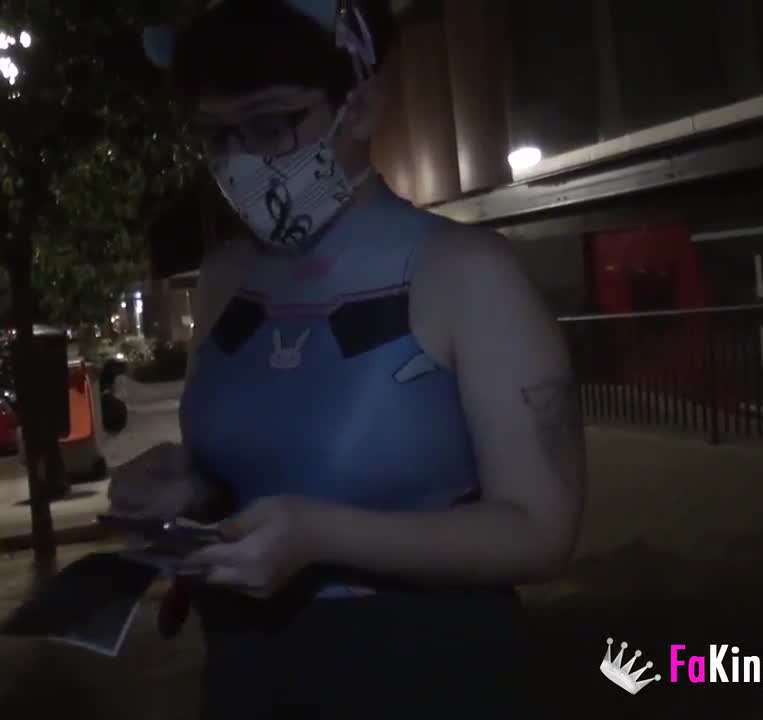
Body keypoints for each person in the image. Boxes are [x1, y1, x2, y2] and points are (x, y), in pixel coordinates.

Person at [110, 1, 586, 717]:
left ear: (360, 104)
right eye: (215, 135)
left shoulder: (467, 273)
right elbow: (261, 471)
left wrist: (320, 536)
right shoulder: (225, 279)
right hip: (249, 674)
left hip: (426, 675)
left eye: (270, 125)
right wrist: (189, 487)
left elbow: (541, 532)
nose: (239, 161)